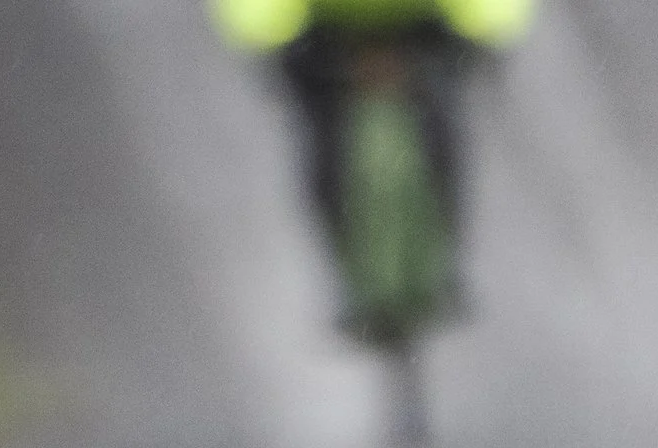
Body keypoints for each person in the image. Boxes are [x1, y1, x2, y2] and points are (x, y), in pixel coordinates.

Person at [210, 0, 534, 324]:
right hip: (326, 32)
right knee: (327, 140)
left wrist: (483, 32)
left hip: (421, 26)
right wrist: (273, 41)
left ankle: (443, 256)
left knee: (440, 126)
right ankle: (348, 269)